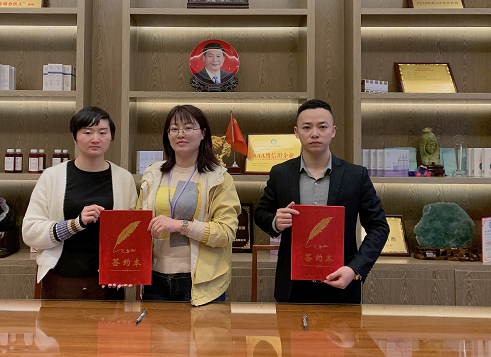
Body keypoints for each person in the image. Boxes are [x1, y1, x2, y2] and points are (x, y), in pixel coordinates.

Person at [254, 99, 389, 304]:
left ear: (333, 131)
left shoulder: (355, 175)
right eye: (307, 127)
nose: (315, 133)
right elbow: (261, 213)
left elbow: (379, 227)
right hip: (292, 286)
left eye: (322, 127)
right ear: (296, 132)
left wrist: (354, 269)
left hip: (341, 282)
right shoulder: (280, 173)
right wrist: (275, 222)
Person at [22, 106, 138, 300]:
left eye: (103, 132)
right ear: (74, 137)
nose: (95, 138)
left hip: (108, 283)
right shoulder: (52, 176)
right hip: (61, 278)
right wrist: (75, 224)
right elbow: (30, 232)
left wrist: (126, 269)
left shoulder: (124, 179)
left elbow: (133, 231)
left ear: (111, 137)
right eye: (87, 132)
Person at [137, 104, 240, 306]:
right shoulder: (153, 174)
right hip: (154, 279)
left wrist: (179, 225)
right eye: (174, 129)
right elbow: (138, 223)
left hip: (199, 282)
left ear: (203, 134)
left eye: (188, 128)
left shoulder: (218, 178)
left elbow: (226, 232)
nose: (180, 134)